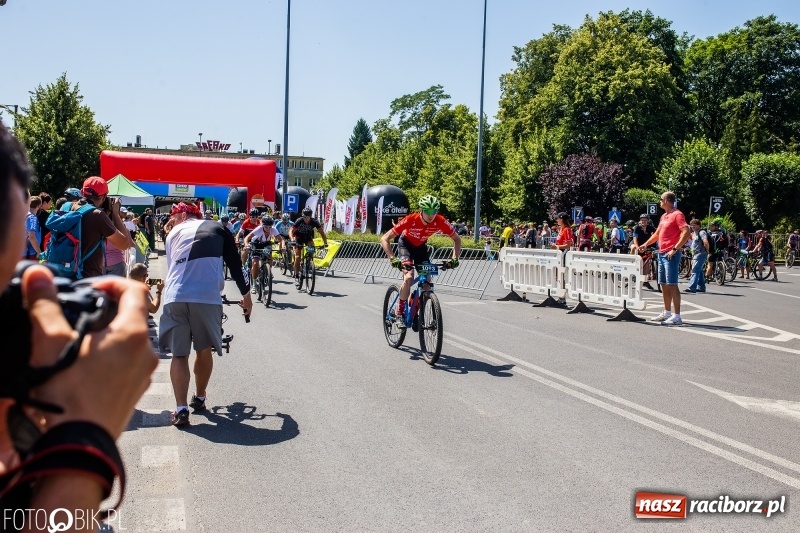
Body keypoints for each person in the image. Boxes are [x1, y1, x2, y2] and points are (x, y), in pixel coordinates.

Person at [0, 121, 157, 521]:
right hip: (86, 284)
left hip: (54, 277)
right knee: (71, 358)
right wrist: (83, 441)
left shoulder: (67, 210)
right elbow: (124, 243)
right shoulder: (99, 216)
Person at [159, 202, 252, 426]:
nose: (171, 222)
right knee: (203, 349)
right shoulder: (219, 228)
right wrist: (246, 296)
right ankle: (199, 398)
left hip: (176, 297)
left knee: (179, 354)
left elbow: (175, 269)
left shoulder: (172, 235)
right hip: (206, 297)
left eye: (173, 217)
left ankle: (181, 409)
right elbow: (235, 264)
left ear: (182, 215)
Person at [380, 195, 461, 329]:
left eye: (434, 211)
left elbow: (457, 239)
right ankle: (400, 313)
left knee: (427, 283)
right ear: (421, 210)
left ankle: (414, 304)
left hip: (421, 248)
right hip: (405, 245)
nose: (431, 215)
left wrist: (454, 259)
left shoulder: (440, 221)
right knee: (409, 277)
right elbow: (384, 238)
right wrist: (393, 259)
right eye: (428, 211)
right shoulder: (410, 219)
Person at [636, 191, 691, 325]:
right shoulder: (664, 216)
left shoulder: (677, 214)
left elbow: (686, 231)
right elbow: (657, 233)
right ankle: (667, 312)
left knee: (672, 284)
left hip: (670, 254)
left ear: (667, 200)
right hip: (661, 253)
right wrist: (645, 244)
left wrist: (675, 248)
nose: (659, 201)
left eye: (661, 199)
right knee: (664, 285)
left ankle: (677, 316)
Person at [64, 177, 134, 278]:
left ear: (82, 192)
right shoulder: (97, 215)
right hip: (87, 277)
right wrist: (115, 214)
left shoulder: (66, 207)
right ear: (104, 197)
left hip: (65, 272)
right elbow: (124, 244)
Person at [243, 215, 283, 301]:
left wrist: (283, 247)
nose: (268, 228)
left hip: (266, 243)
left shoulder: (274, 229)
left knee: (269, 255)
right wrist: (246, 245)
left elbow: (281, 240)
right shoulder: (258, 229)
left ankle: (268, 270)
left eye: (270, 227)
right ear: (262, 225)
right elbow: (247, 238)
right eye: (266, 227)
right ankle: (254, 284)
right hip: (256, 243)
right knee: (255, 263)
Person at [289, 207, 329, 289]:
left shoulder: (314, 222)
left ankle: (309, 261)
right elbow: (291, 231)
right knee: (297, 257)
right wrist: (292, 239)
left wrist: (325, 243)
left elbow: (322, 233)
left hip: (308, 238)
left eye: (307, 217)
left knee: (311, 249)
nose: (305, 219)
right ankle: (296, 276)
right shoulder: (299, 220)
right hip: (298, 238)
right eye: (304, 217)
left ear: (310, 216)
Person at [632, 214, 657, 289]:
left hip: (646, 246)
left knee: (646, 265)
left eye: (645, 220)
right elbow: (635, 238)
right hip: (638, 245)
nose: (643, 221)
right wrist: (637, 247)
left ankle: (645, 281)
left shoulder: (651, 228)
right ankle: (632, 261)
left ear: (648, 221)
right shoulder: (637, 228)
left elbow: (655, 237)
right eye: (642, 220)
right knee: (633, 247)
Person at [685, 219, 709, 293]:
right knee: (700, 271)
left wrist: (708, 251)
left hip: (700, 254)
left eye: (694, 225)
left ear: (699, 225)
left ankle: (692, 287)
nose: (692, 227)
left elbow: (705, 242)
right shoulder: (695, 233)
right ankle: (701, 287)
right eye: (691, 225)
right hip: (696, 254)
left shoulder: (702, 232)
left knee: (695, 270)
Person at [25, 195, 42, 260]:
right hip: (30, 253)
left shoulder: (23, 215)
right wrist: (39, 252)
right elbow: (32, 237)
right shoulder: (32, 217)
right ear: (38, 206)